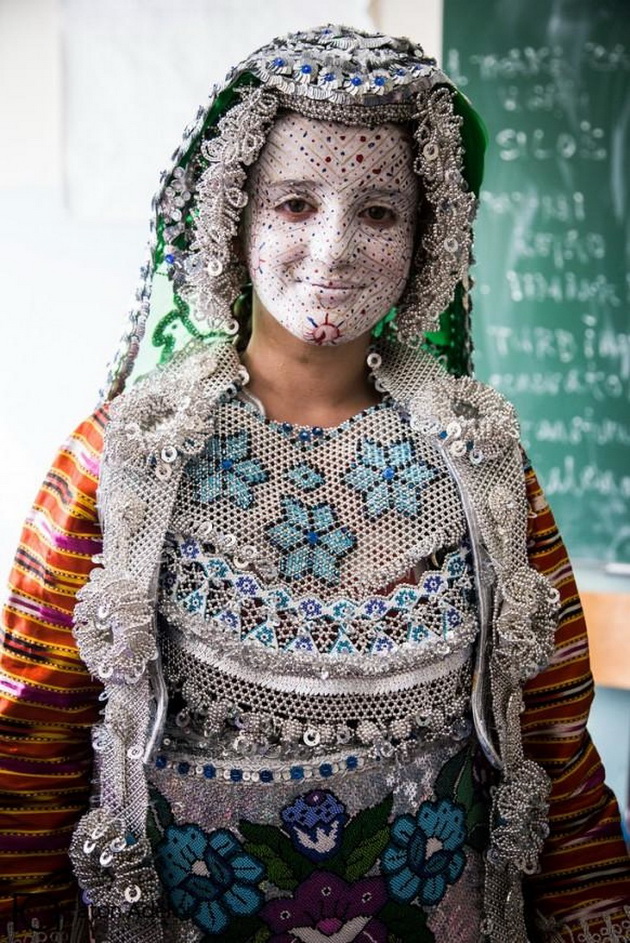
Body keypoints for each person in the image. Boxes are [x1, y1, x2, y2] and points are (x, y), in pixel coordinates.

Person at [1, 24, 629, 943]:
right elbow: (31, 752)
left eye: (378, 212)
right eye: (295, 203)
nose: (334, 248)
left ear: (427, 235)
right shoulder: (123, 460)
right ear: (234, 214)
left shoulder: (484, 464)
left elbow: (556, 743)